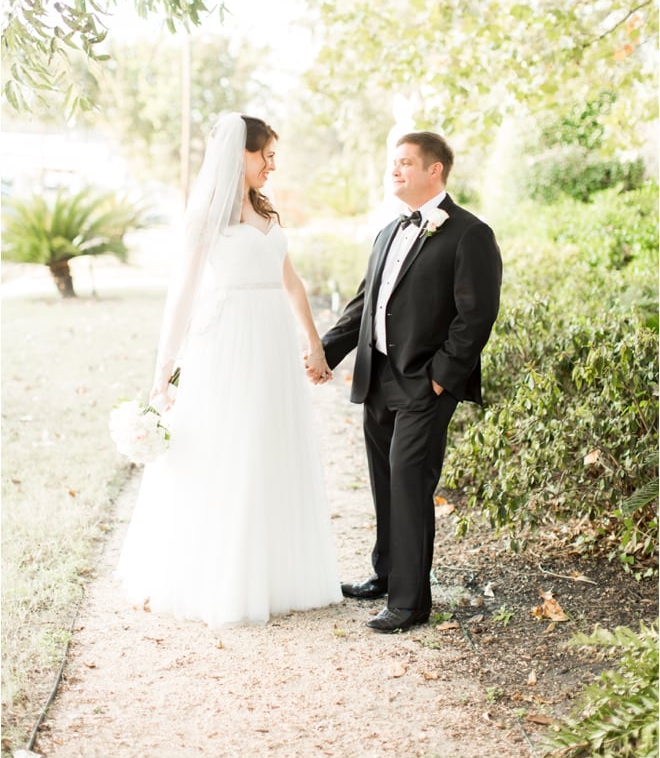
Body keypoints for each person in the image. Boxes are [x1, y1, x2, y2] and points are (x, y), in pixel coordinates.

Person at [116, 112, 342, 627]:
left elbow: (292, 284)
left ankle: (277, 573)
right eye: (265, 154)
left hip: (273, 340)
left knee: (271, 444)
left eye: (273, 156)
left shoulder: (267, 213)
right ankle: (217, 576)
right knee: (226, 448)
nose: (272, 164)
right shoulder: (207, 219)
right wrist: (164, 368)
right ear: (238, 153)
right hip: (228, 342)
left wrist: (314, 344)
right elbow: (183, 294)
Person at [310, 131, 502, 633]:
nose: (393, 171)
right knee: (384, 481)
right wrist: (323, 353)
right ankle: (386, 573)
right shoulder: (387, 233)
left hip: (424, 384)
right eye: (391, 163)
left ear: (434, 170)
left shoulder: (469, 233)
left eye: (405, 163)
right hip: (377, 379)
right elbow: (364, 307)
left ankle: (412, 602)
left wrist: (441, 379)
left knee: (410, 483)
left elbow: (476, 316)